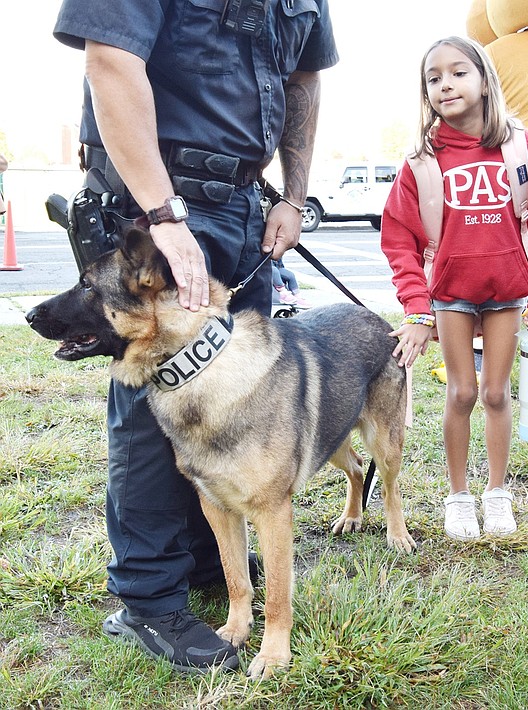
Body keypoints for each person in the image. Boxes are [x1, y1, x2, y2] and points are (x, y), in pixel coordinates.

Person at [53, 0, 338, 673]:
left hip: (246, 203)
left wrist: (292, 198)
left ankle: (214, 570)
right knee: (157, 399)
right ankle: (149, 600)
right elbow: (111, 59)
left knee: (246, 396)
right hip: (157, 195)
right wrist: (163, 216)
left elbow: (303, 80)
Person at [381, 36, 528, 542]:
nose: (445, 84)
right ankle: (459, 497)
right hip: (451, 294)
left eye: (458, 72)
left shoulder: (520, 148)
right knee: (461, 392)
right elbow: (398, 237)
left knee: (495, 393)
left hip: (506, 293)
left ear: (484, 80)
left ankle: (498, 493)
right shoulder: (422, 160)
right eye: (433, 77)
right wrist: (418, 309)